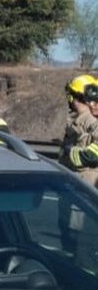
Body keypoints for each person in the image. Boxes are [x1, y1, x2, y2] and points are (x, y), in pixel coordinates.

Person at [58, 74, 98, 268]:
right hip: (72, 189)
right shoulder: (77, 122)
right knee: (70, 243)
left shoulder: (92, 122)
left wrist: (71, 152)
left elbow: (94, 155)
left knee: (83, 247)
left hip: (85, 191)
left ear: (73, 97)